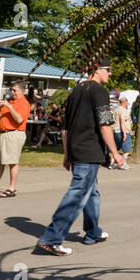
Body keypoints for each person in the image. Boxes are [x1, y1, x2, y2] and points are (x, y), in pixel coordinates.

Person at [36, 61, 127, 256]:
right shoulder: (99, 91)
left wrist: (67, 154)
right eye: (108, 70)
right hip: (89, 150)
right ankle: (51, 238)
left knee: (91, 192)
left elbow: (65, 128)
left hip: (77, 150)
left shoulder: (75, 92)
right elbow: (104, 124)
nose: (110, 74)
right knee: (78, 194)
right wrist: (115, 152)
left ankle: (93, 232)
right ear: (97, 70)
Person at [0, 81, 30, 197]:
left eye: (15, 90)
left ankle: (12, 188)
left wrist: (9, 106)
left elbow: (19, 120)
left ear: (22, 91)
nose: (12, 92)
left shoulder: (23, 103)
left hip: (14, 133)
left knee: (12, 162)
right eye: (11, 90)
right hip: (3, 133)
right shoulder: (10, 102)